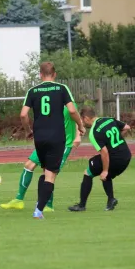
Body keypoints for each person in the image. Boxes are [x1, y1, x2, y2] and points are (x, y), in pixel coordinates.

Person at [20, 62, 85, 220]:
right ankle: (39, 210)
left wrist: (28, 131)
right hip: (57, 137)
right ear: (54, 74)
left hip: (39, 137)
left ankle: (40, 204)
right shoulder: (62, 89)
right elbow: (71, 110)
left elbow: (23, 115)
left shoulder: (32, 91)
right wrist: (80, 125)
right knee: (50, 175)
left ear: (40, 75)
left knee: (44, 171)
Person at [0, 115, 81, 212]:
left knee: (49, 173)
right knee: (29, 165)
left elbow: (75, 114)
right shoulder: (51, 102)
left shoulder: (67, 100)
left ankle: (49, 205)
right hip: (49, 140)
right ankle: (18, 200)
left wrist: (78, 135)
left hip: (63, 143)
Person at [68, 107, 132, 212]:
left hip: (115, 159)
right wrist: (117, 140)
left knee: (89, 172)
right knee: (101, 169)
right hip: (126, 156)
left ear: (86, 118)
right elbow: (127, 127)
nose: (83, 123)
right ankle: (111, 200)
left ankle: (81, 205)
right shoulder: (109, 119)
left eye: (82, 120)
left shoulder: (94, 132)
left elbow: (104, 152)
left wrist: (105, 170)